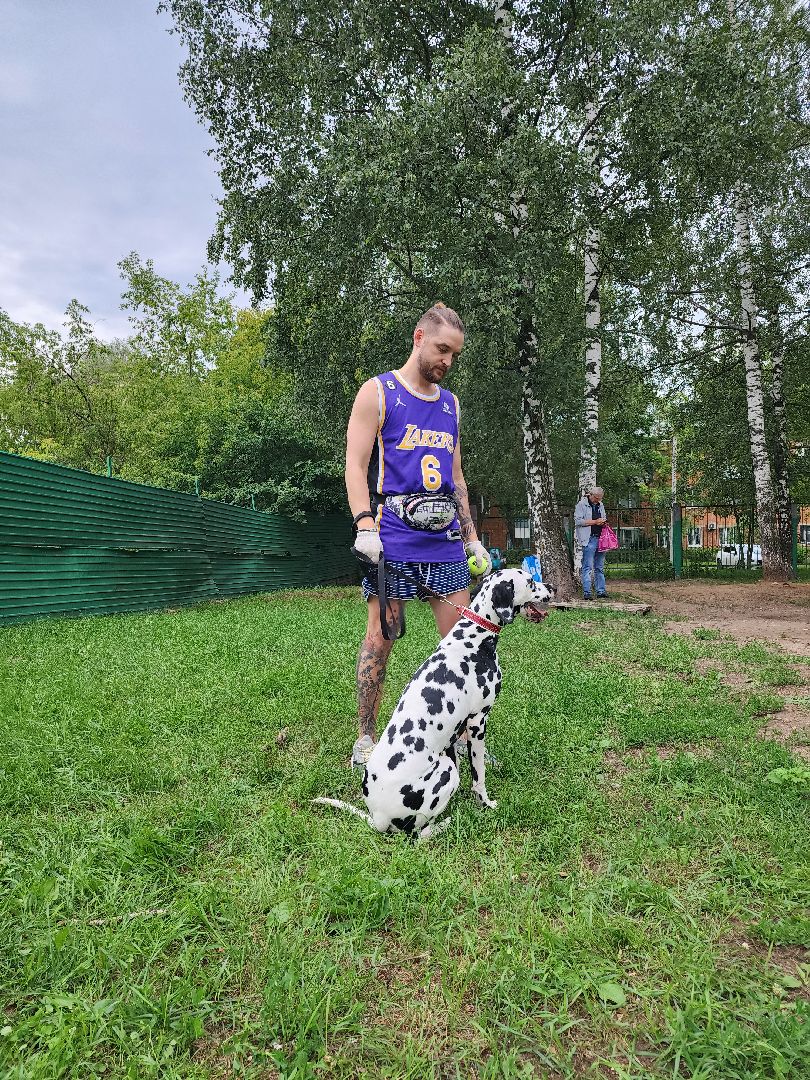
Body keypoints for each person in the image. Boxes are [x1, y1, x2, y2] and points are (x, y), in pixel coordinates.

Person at [344, 303, 491, 768]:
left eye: (455, 355)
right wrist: (364, 523)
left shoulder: (451, 405)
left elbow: (457, 476)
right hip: (395, 542)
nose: (447, 361)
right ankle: (366, 738)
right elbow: (355, 464)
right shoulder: (379, 392)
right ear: (419, 337)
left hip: (444, 541)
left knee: (463, 645)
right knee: (380, 638)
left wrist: (471, 538)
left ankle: (465, 737)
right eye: (442, 349)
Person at [574, 486, 608, 600]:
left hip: (601, 539)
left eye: (600, 498)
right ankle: (587, 592)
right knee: (587, 566)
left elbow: (604, 517)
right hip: (589, 539)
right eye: (596, 498)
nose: (598, 500)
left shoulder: (600, 505)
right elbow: (578, 521)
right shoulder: (581, 505)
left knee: (599, 567)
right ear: (591, 495)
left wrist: (603, 522)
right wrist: (595, 522)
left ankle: (601, 591)